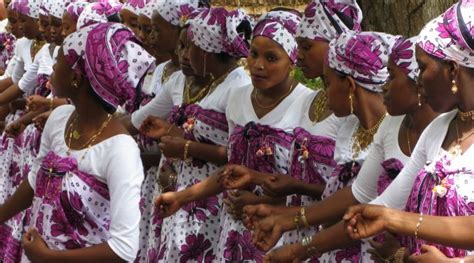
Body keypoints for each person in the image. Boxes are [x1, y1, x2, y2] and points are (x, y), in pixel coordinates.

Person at [0, 22, 154, 262]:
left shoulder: (121, 150)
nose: (52, 67)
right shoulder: (60, 119)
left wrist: (47, 257)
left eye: (59, 59)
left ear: (75, 76)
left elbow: (123, 249)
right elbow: (34, 181)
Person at [343, 0, 474, 260]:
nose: (418, 79)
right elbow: (387, 205)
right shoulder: (440, 129)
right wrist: (303, 241)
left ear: (452, 70)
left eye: (423, 67)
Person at [144, 6, 253, 262]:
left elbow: (237, 156)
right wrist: (171, 132)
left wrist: (185, 149)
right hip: (183, 194)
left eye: (189, 46)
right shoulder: (214, 81)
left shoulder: (237, 87)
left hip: (207, 202)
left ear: (206, 50)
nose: (183, 54)